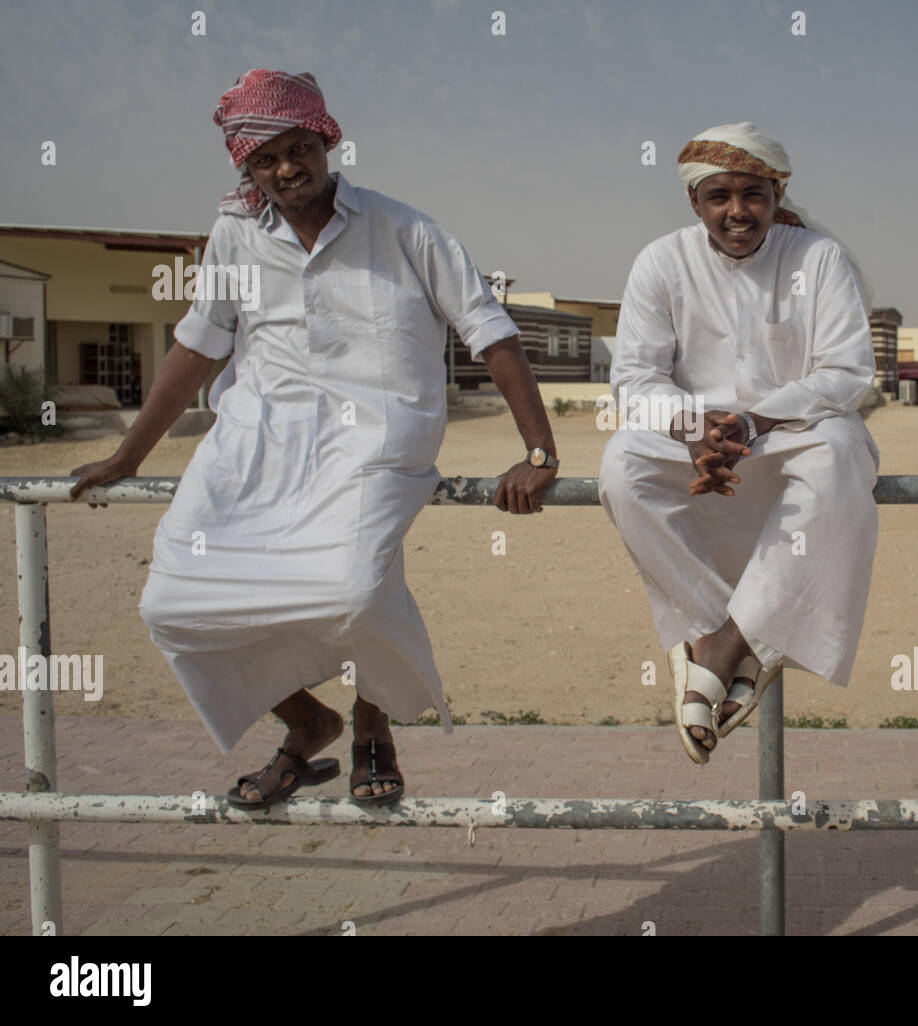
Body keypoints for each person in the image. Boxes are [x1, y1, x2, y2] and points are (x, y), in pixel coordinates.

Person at [70, 69, 559, 809]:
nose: (286, 169)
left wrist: (539, 451)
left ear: (326, 139)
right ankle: (308, 720)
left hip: (378, 443)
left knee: (354, 591)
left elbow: (489, 331)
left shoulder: (407, 230)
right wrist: (127, 456)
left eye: (299, 148)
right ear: (247, 167)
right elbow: (198, 347)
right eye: (265, 160)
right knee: (172, 602)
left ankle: (374, 726)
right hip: (257, 444)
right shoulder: (234, 234)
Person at [599, 122, 880, 764]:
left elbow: (844, 371)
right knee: (622, 467)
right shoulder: (661, 262)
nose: (737, 211)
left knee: (839, 456)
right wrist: (694, 428)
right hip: (694, 438)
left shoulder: (817, 259)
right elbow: (636, 377)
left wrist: (754, 423)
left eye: (752, 193)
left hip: (792, 433)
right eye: (718, 195)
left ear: (777, 195)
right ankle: (738, 639)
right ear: (694, 203)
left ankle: (720, 649)